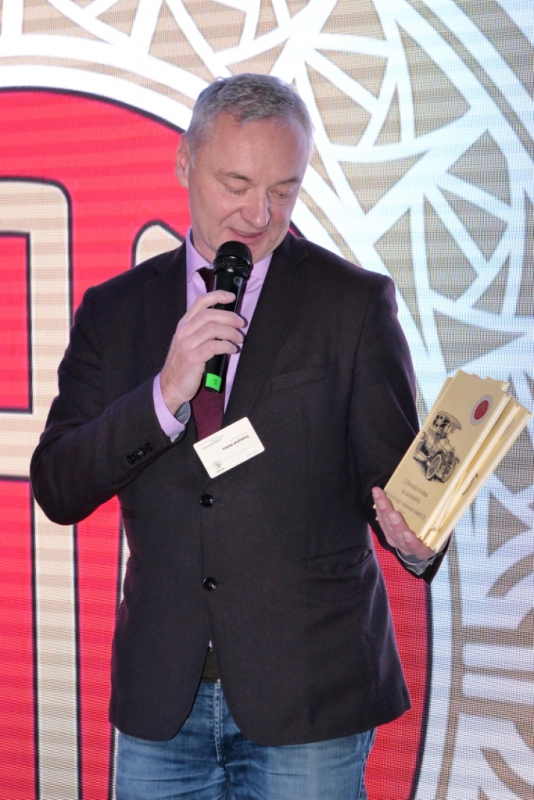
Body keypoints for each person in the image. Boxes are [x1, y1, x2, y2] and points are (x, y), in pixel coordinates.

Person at [31, 74, 446, 800]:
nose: (260, 214)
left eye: (284, 191)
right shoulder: (114, 311)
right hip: (162, 700)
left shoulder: (352, 303)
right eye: (237, 184)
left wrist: (419, 538)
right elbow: (59, 486)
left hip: (311, 697)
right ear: (185, 163)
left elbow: (399, 485)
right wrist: (164, 394)